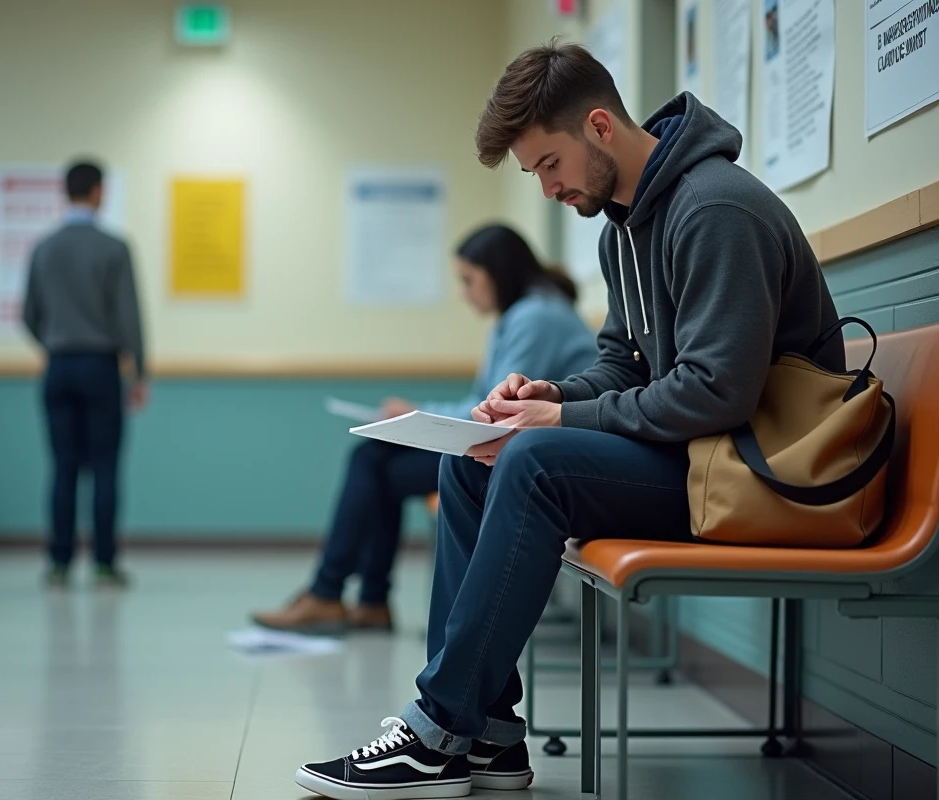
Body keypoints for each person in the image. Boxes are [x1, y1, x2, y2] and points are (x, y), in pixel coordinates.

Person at [293, 41, 843, 800]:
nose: (547, 187)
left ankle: (435, 729)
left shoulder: (715, 208)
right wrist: (543, 395)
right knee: (476, 455)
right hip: (703, 457)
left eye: (549, 165)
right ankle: (489, 735)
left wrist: (557, 421)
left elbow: (719, 393)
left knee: (533, 461)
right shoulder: (624, 227)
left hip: (762, 468)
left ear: (598, 127)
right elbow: (622, 363)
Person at [253, 223, 597, 635]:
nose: (463, 292)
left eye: (469, 280)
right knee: (374, 459)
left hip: (538, 455)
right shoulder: (523, 313)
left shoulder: (536, 317)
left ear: (499, 273)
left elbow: (496, 409)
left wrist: (417, 410)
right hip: (518, 444)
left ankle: (341, 595)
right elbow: (485, 401)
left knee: (374, 465)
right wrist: (417, 412)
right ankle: (362, 600)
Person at [22, 160, 147, 589]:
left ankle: (58, 564)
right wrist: (140, 369)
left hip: (57, 365)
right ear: (97, 192)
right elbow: (129, 316)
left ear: (65, 192)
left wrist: (54, 341)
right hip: (100, 366)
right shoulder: (114, 247)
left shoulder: (44, 247)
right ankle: (104, 564)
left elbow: (28, 314)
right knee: (106, 468)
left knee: (62, 467)